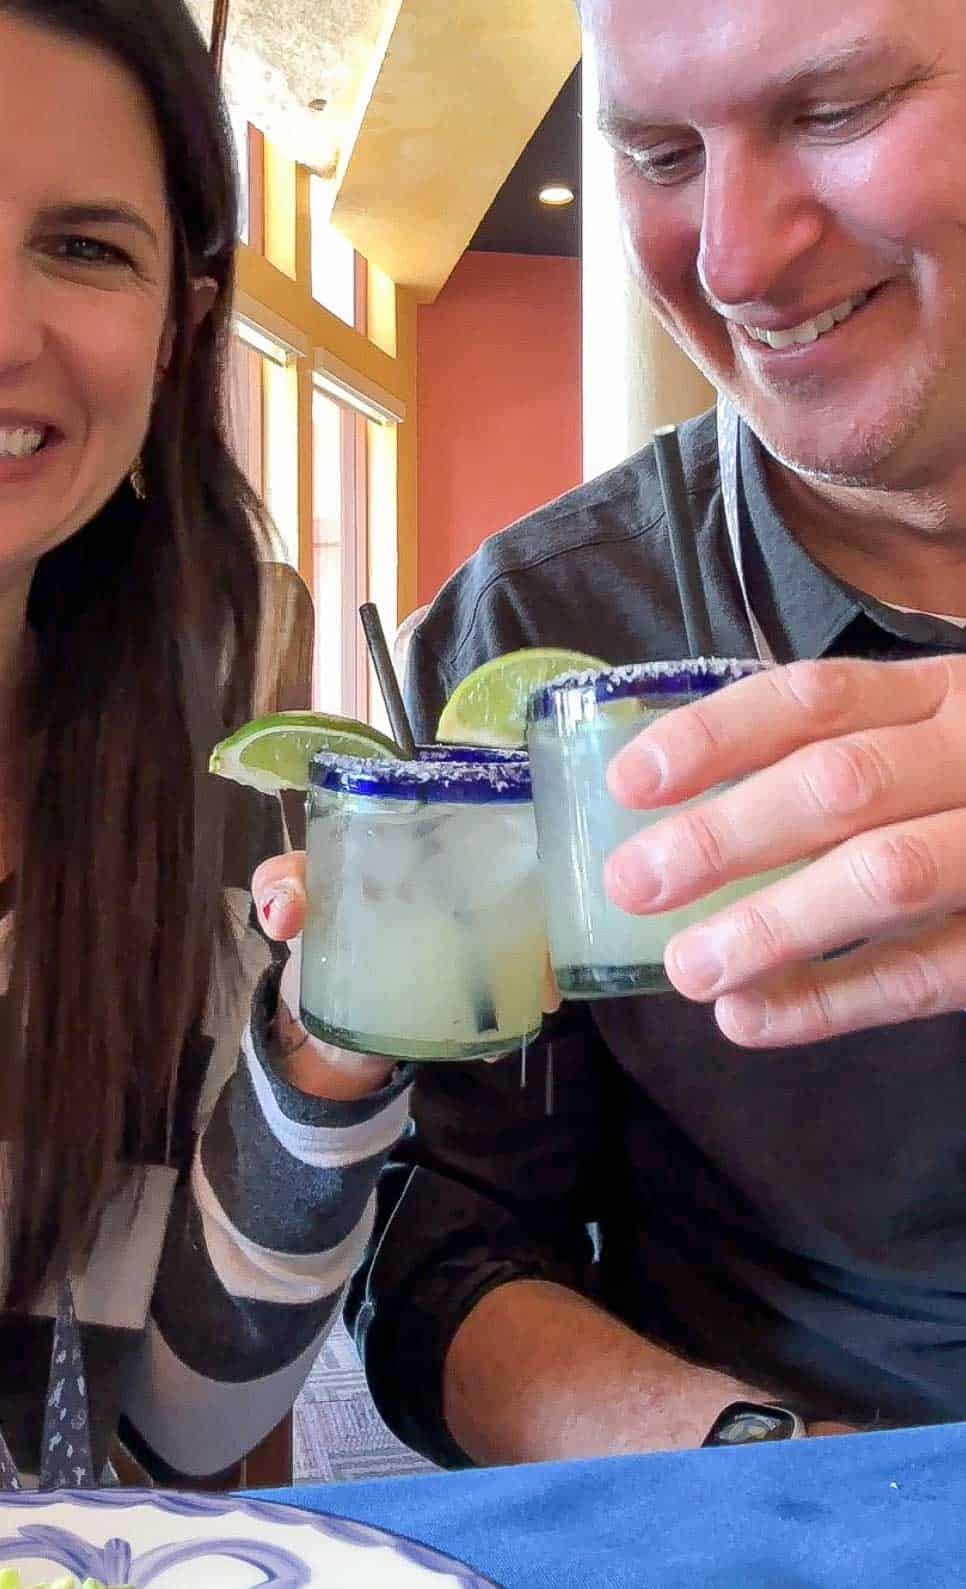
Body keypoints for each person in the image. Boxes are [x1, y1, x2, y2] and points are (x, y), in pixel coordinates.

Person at [321, 0, 966, 1465]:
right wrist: (785, 1478)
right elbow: (443, 1258)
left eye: (833, 111)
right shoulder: (533, 638)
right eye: (657, 152)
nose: (731, 262)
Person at [0, 0, 411, 1486]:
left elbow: (185, 1414)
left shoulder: (204, 752)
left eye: (85, 248)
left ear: (179, 330)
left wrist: (323, 1060)